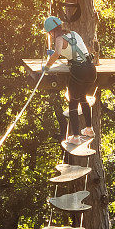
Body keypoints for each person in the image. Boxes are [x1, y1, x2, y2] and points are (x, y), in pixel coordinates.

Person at [42, 16, 97, 144]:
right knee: (83, 97)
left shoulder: (59, 39)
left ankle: (76, 137)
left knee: (73, 102)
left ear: (51, 31)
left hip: (79, 71)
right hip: (91, 69)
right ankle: (89, 129)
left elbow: (57, 53)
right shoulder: (74, 33)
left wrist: (47, 66)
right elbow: (78, 50)